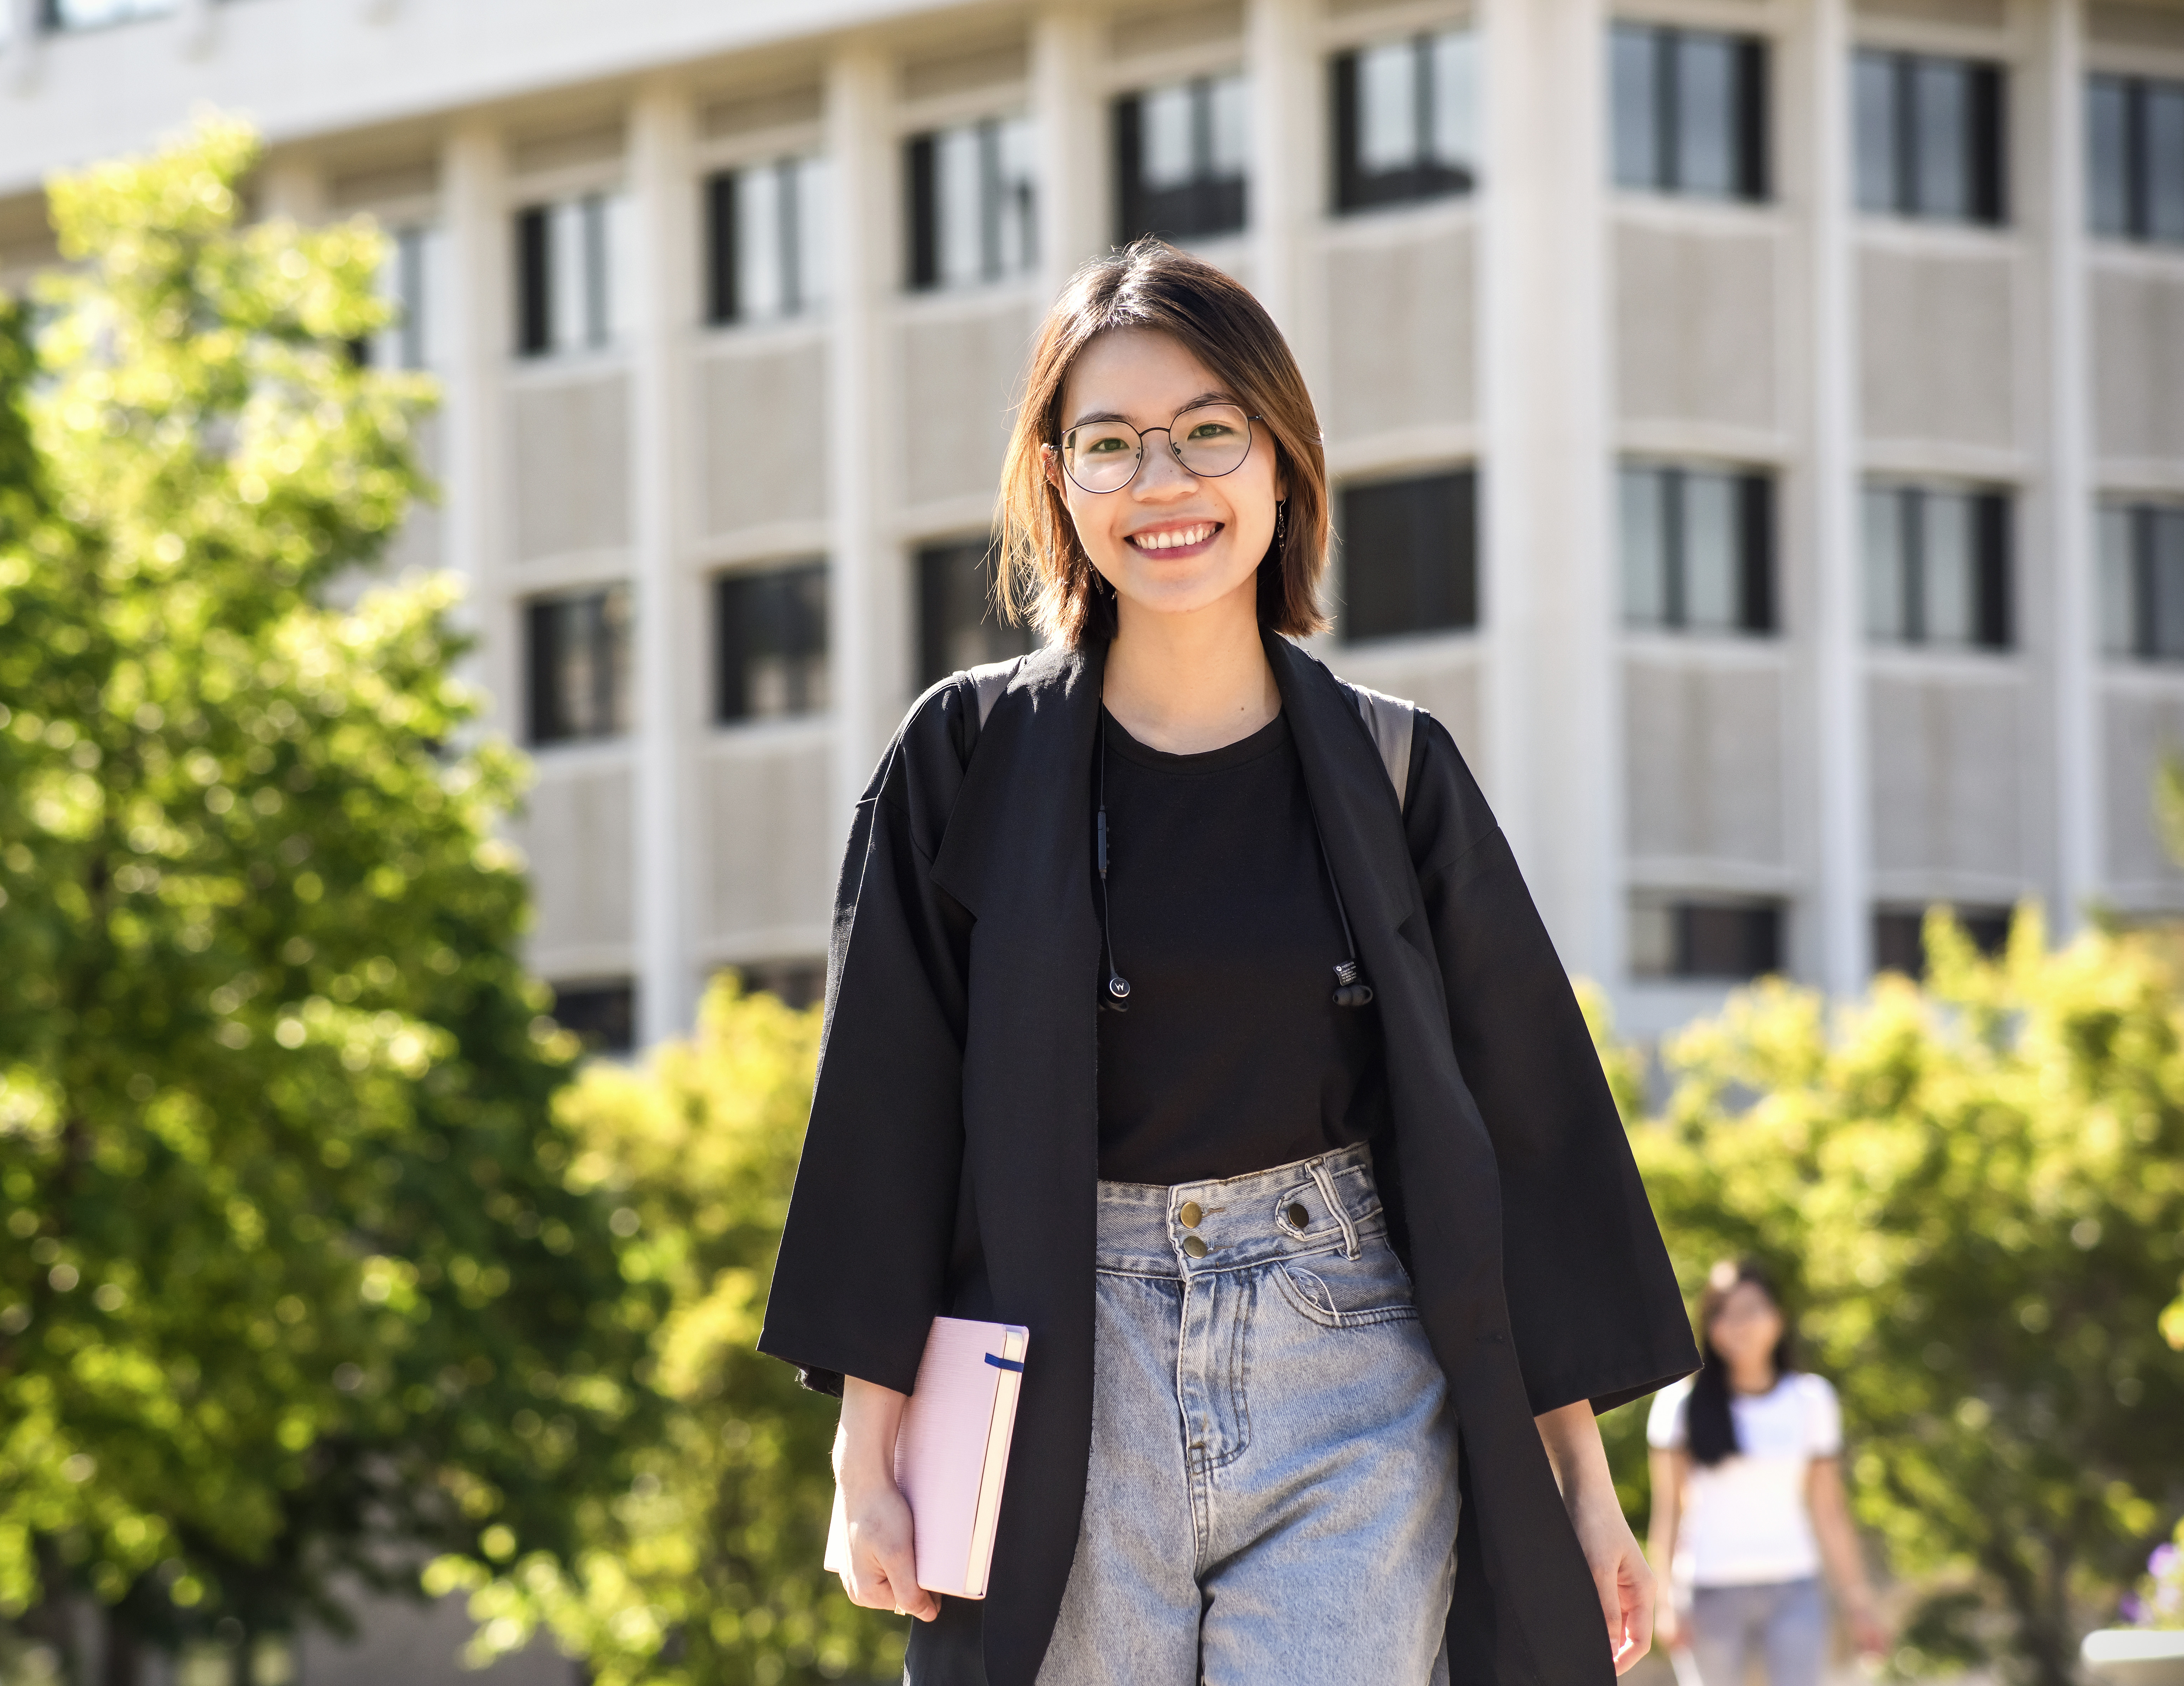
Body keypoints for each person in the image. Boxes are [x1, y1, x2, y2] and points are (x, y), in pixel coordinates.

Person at [756, 238, 1699, 1686]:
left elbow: (1513, 1132)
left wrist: (1579, 1470)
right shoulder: (964, 760)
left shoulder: (1397, 770)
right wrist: (862, 1445)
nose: (1164, 482)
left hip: (1353, 1362)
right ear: (1057, 480)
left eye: (1210, 433)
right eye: (1110, 444)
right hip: (1060, 1357)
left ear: (1279, 463)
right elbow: (888, 1113)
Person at [1647, 1262, 1889, 1686]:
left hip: (1795, 1589)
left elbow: (1829, 1509)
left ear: (1778, 1316)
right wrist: (1665, 1603)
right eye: (1723, 1312)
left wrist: (1859, 1604)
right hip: (1709, 1592)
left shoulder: (1811, 1398)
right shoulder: (1679, 1404)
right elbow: (1667, 1510)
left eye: (1751, 1309)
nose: (1738, 1324)